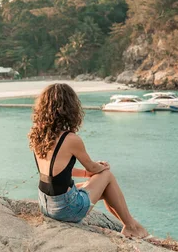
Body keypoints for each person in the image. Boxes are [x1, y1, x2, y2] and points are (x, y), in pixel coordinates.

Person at [28, 83, 149, 238]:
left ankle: (129, 224)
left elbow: (58, 171)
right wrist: (101, 167)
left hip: (45, 204)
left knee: (104, 189)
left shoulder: (39, 137)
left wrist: (87, 174)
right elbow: (92, 165)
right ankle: (131, 226)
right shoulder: (70, 139)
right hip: (65, 209)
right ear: (70, 108)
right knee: (108, 177)